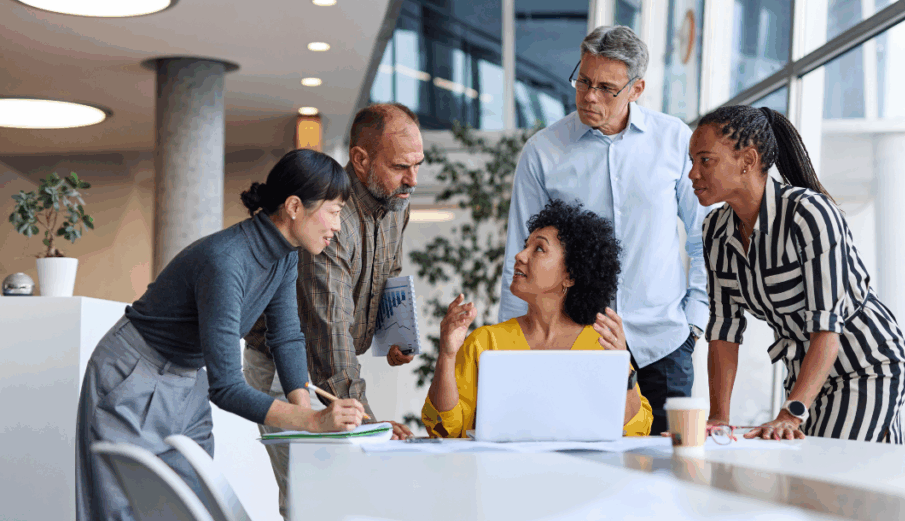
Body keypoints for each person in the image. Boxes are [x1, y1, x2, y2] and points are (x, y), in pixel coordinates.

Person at [75, 149, 366, 521]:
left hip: (185, 381)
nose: (338, 225)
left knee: (190, 510)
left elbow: (287, 336)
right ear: (295, 206)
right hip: (132, 375)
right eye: (335, 210)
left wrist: (305, 411)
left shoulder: (286, 254)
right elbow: (226, 387)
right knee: (121, 511)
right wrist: (311, 422)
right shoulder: (227, 261)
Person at [498, 25, 709, 435]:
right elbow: (519, 256)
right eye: (584, 81)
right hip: (575, 344)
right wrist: (516, 348)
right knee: (583, 472)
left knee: (671, 477)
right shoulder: (543, 151)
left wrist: (694, 324)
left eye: (607, 88)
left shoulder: (674, 141)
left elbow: (706, 239)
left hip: (664, 345)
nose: (590, 96)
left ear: (637, 88)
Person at [689, 105, 905, 442]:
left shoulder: (808, 214)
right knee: (822, 477)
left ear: (747, 160)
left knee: (825, 474)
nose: (692, 173)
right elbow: (724, 330)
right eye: (692, 162)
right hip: (804, 375)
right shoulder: (715, 231)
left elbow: (827, 329)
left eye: (705, 160)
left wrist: (790, 413)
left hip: (865, 366)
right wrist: (718, 418)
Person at [243, 103, 422, 519]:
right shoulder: (329, 220)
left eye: (418, 164)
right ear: (360, 160)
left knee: (340, 494)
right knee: (308, 499)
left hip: (326, 365)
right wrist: (372, 425)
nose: (412, 180)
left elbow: (387, 272)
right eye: (400, 167)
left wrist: (393, 332)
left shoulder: (397, 200)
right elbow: (328, 335)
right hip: (282, 369)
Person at [425, 199, 653, 438]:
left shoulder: (603, 343)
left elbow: (635, 430)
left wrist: (622, 371)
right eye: (525, 246)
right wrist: (447, 355)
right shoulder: (484, 342)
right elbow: (447, 429)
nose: (520, 255)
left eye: (539, 249)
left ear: (571, 275)